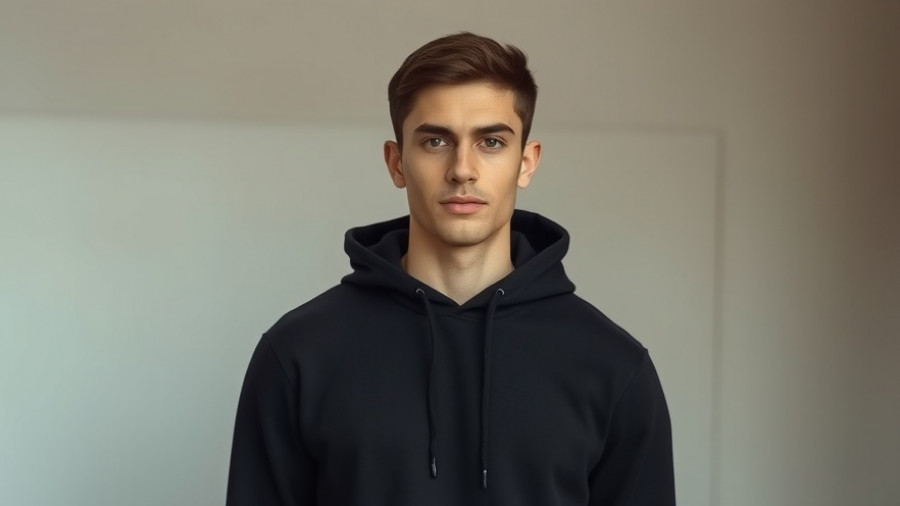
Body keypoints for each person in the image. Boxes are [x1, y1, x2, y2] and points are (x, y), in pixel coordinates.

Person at [226, 32, 675, 505]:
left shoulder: (613, 366)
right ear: (396, 162)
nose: (463, 169)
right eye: (436, 140)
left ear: (526, 162)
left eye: (491, 142)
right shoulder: (299, 354)